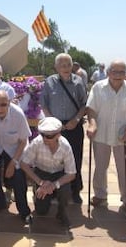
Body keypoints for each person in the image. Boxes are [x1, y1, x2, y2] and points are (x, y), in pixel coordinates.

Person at [86, 60, 126, 213]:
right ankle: (100, 194)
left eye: (122, 72)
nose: (118, 75)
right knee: (100, 167)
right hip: (102, 133)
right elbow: (91, 109)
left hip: (125, 136)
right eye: (115, 71)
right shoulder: (98, 87)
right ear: (108, 72)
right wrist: (92, 124)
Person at [40, 53, 87, 204]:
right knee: (55, 159)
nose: (66, 68)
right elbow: (44, 104)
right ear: (56, 67)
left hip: (74, 126)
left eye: (68, 64)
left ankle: (75, 190)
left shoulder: (78, 81)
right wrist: (52, 123)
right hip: (55, 128)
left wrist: (76, 120)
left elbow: (84, 104)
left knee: (75, 158)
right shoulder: (49, 82)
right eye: (62, 65)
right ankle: (55, 190)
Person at [0, 90, 32, 223]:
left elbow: (23, 140)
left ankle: (24, 211)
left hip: (16, 148)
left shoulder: (18, 114)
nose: (0, 108)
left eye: (3, 104)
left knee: (18, 179)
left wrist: (13, 163)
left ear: (9, 103)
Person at [20, 117, 76, 227]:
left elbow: (71, 174)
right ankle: (39, 193)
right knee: (41, 211)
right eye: (43, 134)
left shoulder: (65, 146)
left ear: (58, 135)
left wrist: (54, 185)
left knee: (66, 191)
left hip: (59, 175)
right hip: (41, 173)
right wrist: (40, 182)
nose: (45, 138)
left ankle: (62, 212)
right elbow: (24, 164)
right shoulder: (36, 143)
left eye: (49, 136)